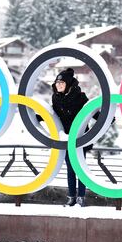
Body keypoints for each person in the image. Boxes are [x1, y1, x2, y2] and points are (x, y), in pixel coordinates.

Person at [51, 68, 93, 207]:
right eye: (57, 83)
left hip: (80, 138)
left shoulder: (79, 96)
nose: (59, 85)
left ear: (68, 84)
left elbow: (89, 110)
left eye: (62, 83)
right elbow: (54, 112)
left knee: (80, 168)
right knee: (70, 168)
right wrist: (39, 118)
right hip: (66, 138)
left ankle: (81, 196)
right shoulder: (56, 97)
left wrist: (104, 119)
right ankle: (71, 197)